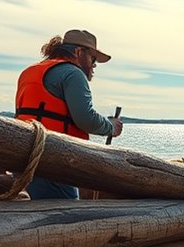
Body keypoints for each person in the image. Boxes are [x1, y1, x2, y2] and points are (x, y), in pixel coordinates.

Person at [16, 29, 123, 199]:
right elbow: (85, 119)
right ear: (79, 52)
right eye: (93, 58)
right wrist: (111, 127)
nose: (94, 65)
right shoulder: (73, 74)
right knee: (66, 215)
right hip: (52, 160)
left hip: (22, 158)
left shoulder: (30, 72)